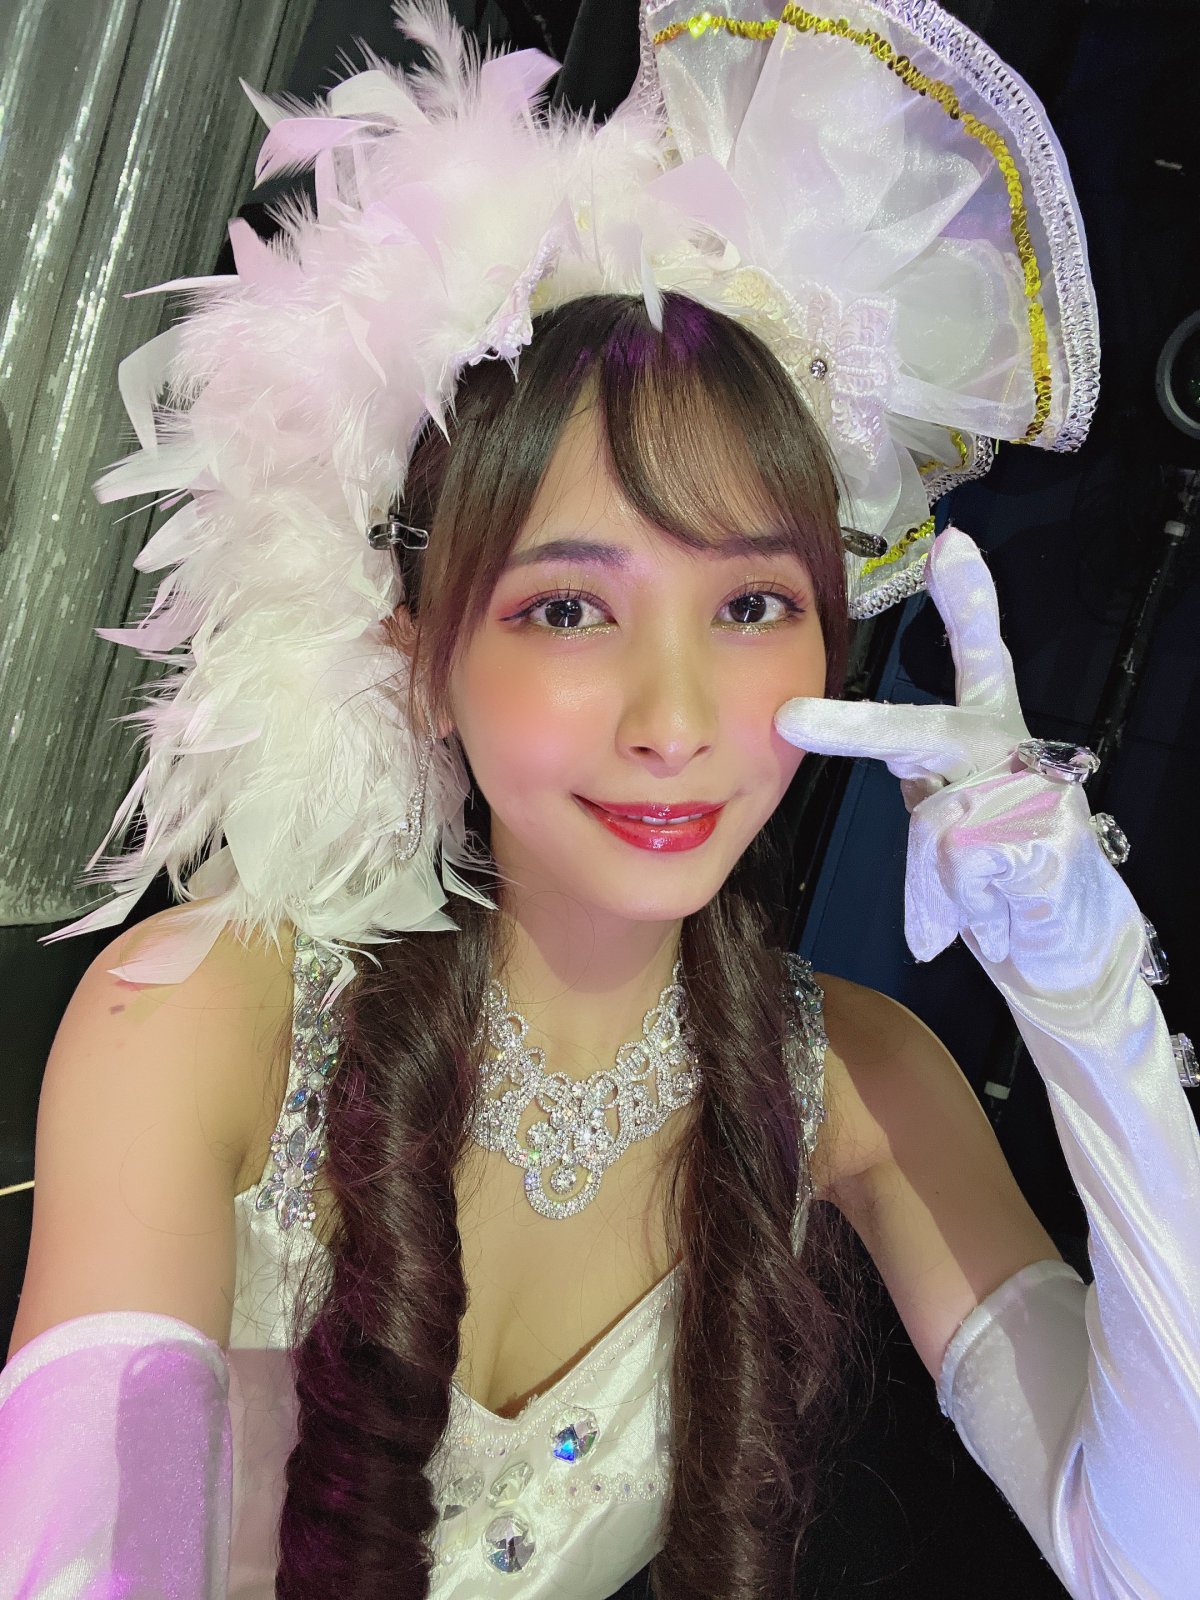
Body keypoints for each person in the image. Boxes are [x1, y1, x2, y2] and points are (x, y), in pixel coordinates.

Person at [1, 3, 1197, 1597]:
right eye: (569, 609)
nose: (676, 721)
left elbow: (1153, 1554)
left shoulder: (859, 1082)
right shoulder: (200, 1022)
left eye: (753, 606)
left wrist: (1092, 1007)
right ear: (420, 652)